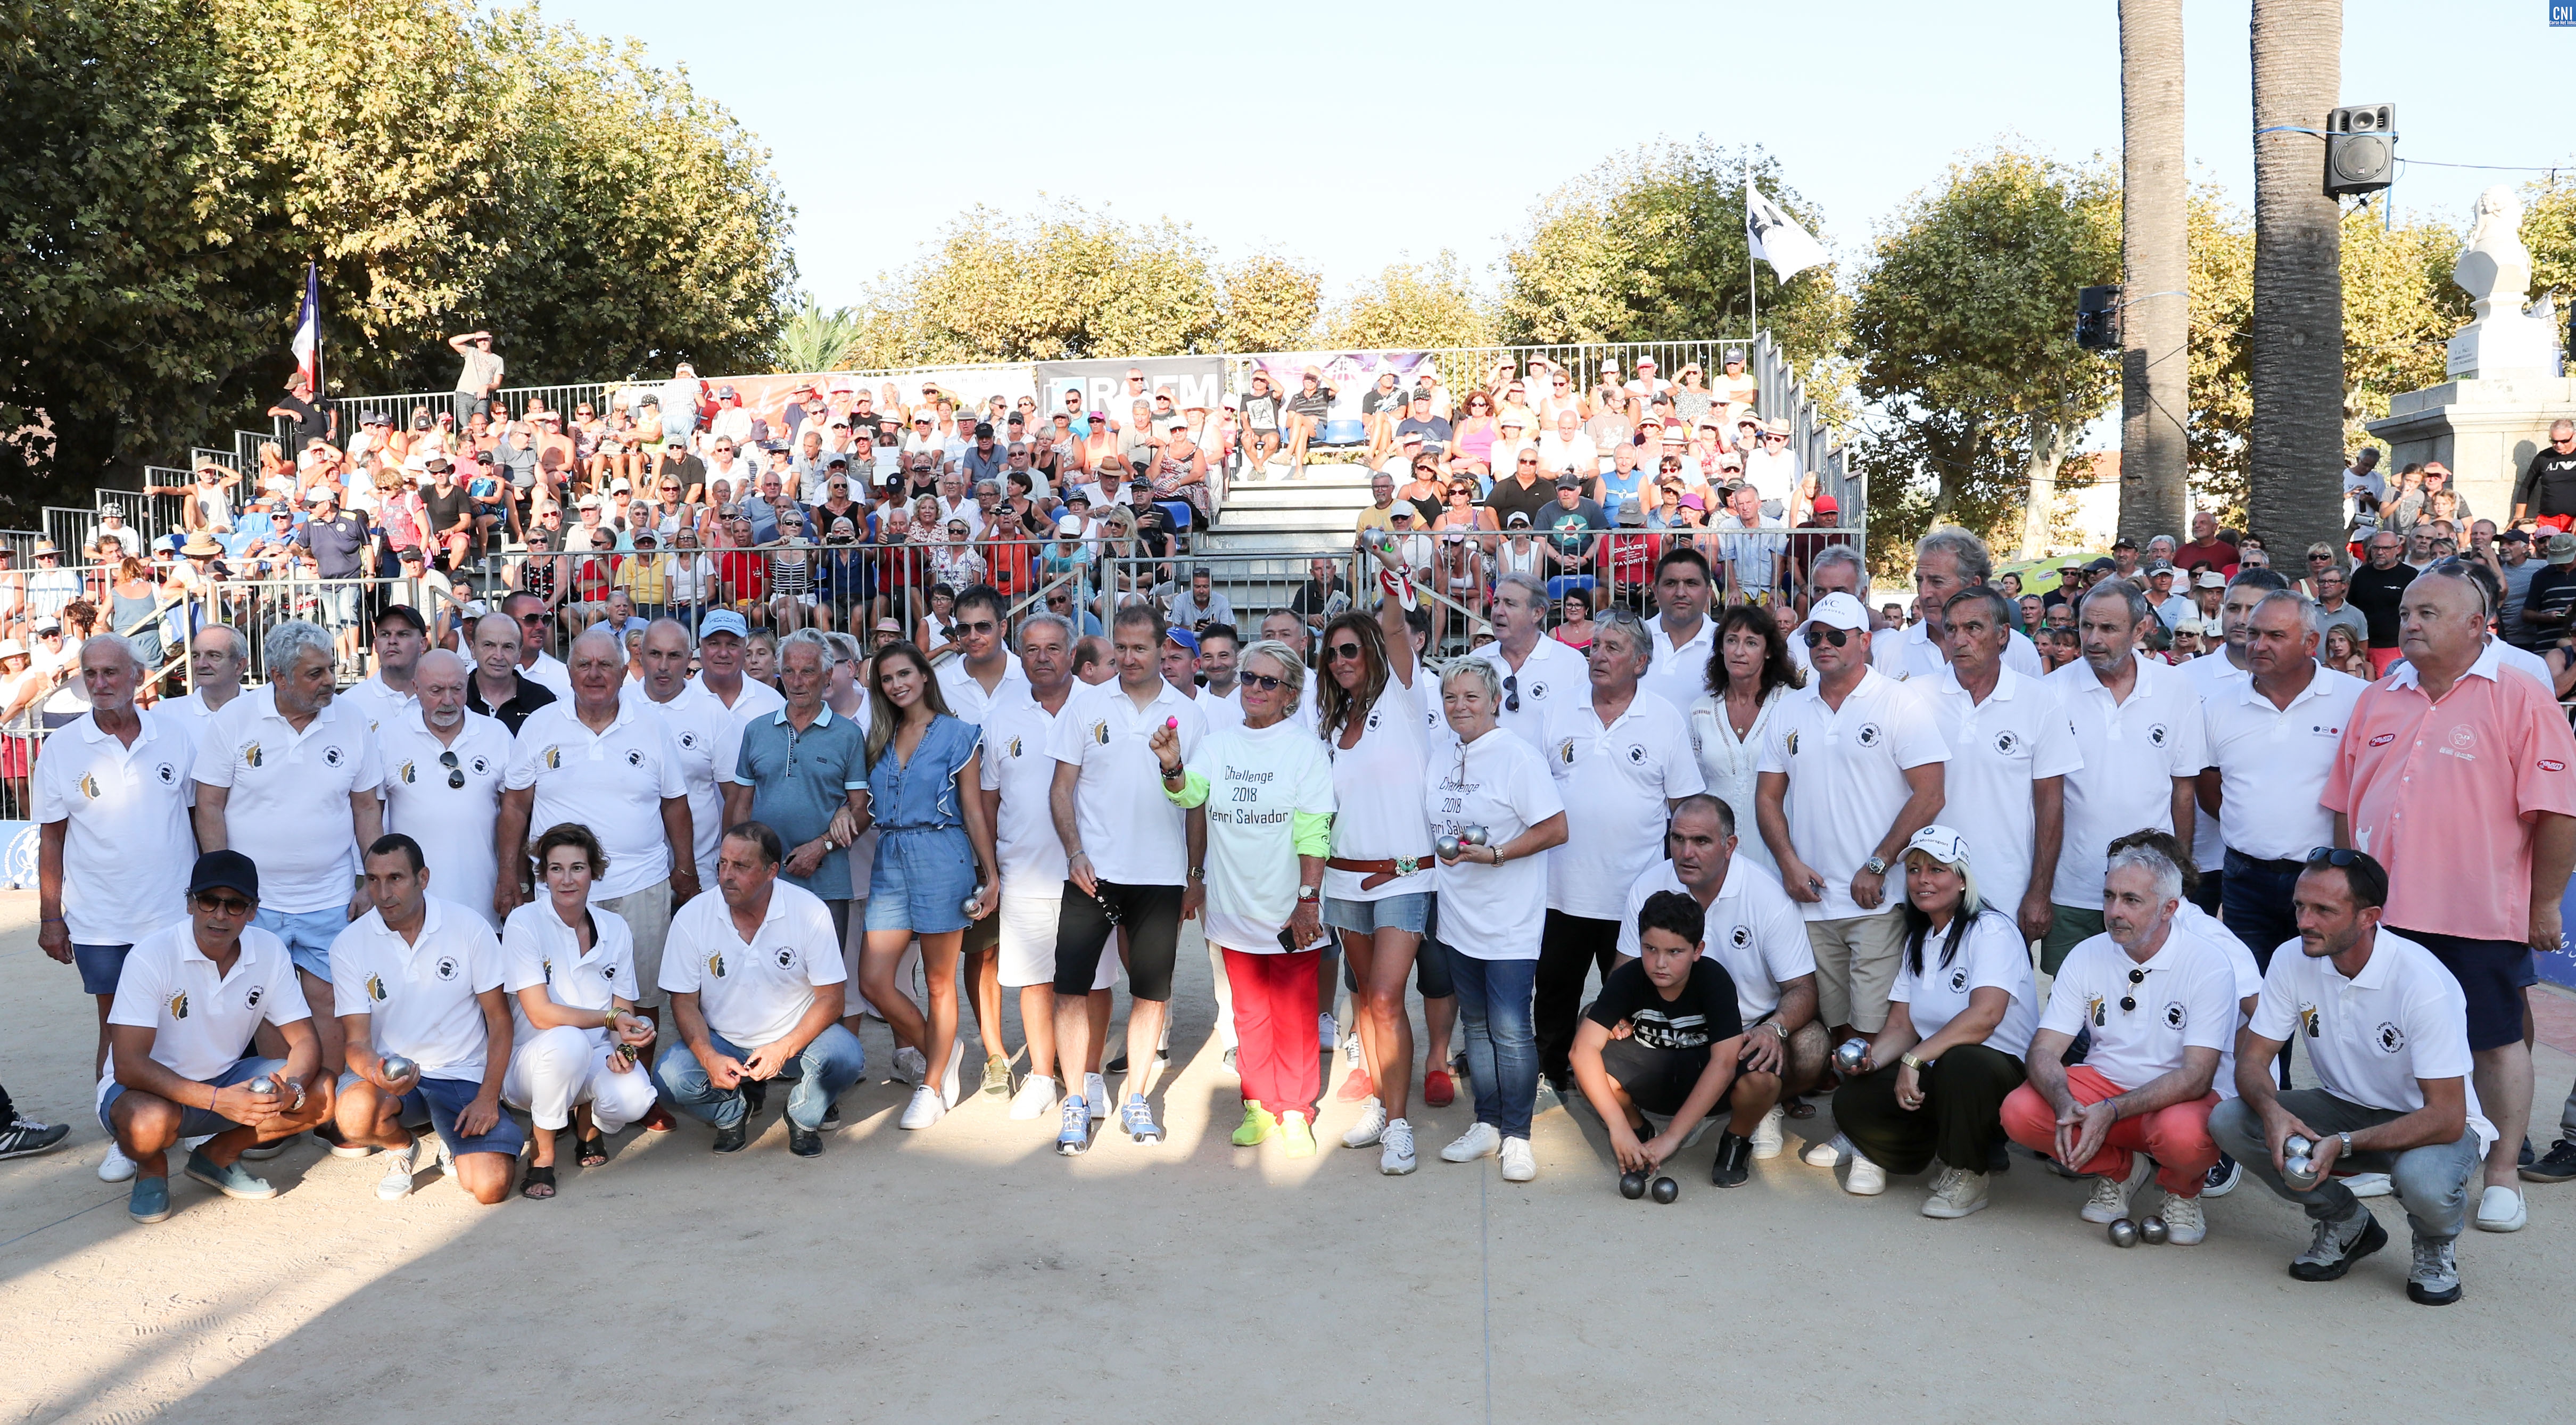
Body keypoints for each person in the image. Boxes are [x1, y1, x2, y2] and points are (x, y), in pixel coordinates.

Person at [2324, 561, 2576, 1233]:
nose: (2409, 623)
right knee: (2394, 1041)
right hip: (2385, 914)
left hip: (2477, 909)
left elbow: (2557, 812)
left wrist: (2544, 905)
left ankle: (2500, 1175)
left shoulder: (2521, 695)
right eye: (2405, 613)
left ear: (2476, 624)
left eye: (2427, 613)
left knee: (2493, 1041)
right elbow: (2345, 804)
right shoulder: (2378, 697)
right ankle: (2397, 1145)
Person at [2202, 848, 2491, 1305]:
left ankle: (2435, 1245)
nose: (2304, 921)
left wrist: (2346, 1144)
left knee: (2425, 1182)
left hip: (2430, 1125)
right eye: (2300, 905)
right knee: (2230, 1120)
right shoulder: (2290, 958)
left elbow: (2449, 1116)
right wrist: (2273, 1111)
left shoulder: (2422, 983)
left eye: (2324, 910)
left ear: (2368, 917)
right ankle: (2345, 1221)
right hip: (2346, 1107)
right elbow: (2252, 1061)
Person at [1756, 591, 1947, 1101]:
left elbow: (1931, 794)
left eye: (1836, 636)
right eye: (1814, 636)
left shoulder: (1898, 701)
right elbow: (1768, 797)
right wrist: (1789, 863)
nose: (1822, 645)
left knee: (1873, 1026)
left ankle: (1865, 1135)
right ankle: (1854, 1117)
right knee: (1835, 1025)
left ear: (1865, 641)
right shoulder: (1790, 707)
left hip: (1875, 899)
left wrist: (1880, 863)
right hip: (1813, 898)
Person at [2001, 839, 2235, 1245]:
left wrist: (2112, 1109)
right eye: (2109, 896)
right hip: (2105, 1088)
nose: (2114, 911)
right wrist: (2062, 1100)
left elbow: (2197, 1077)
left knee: (2184, 1136)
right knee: (2020, 1111)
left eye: (2131, 900)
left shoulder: (2208, 963)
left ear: (2169, 909)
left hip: (2176, 1100)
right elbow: (2043, 1050)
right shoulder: (2087, 954)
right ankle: (2120, 1170)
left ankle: (2182, 1191)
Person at [1155, 638, 1335, 1156]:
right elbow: (1189, 794)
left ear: (1291, 695)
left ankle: (1297, 1109)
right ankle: (1258, 1102)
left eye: (1267, 682)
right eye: (1248, 678)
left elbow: (1314, 832)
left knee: (1296, 1013)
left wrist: (1308, 900)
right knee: (1250, 1013)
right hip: (1233, 907)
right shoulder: (1218, 743)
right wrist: (1172, 766)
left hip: (1287, 909)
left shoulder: (1304, 750)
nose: (1253, 689)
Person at [1045, 605, 1207, 1154]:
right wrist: (1074, 852)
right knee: (1070, 988)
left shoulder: (1189, 713)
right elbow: (1061, 789)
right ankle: (1075, 1100)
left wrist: (1193, 873)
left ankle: (1136, 1096)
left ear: (1164, 649)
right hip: (1092, 873)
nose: (1130, 658)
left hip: (1160, 876)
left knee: (1150, 992)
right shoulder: (1085, 705)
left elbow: (1196, 803)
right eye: (1122, 647)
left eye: (1141, 647)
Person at [98, 850, 334, 1224]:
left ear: (254, 910)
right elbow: (128, 1065)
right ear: (190, 903)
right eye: (209, 901)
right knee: (147, 1124)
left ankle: (217, 1156)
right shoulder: (151, 954)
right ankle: (153, 1170)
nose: (220, 914)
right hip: (148, 1092)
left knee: (320, 1089)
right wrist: (218, 1100)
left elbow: (304, 1039)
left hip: (225, 1079)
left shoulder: (269, 950)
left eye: (235, 904)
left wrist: (293, 1089)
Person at [193, 620, 383, 1079]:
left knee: (331, 997)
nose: (329, 682)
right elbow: (210, 805)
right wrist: (227, 889)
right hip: (259, 903)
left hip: (331, 894)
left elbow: (366, 808)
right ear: (278, 676)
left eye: (330, 669)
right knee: (264, 1000)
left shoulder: (352, 719)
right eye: (314, 673)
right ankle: (281, 1107)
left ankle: (333, 1101)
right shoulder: (234, 721)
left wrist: (369, 882)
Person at [1320, 551, 1459, 1172]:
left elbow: (1398, 630)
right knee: (1366, 999)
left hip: (1404, 874)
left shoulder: (1406, 695)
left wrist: (1394, 588)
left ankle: (1399, 1124)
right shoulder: (1330, 718)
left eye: (1352, 650)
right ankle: (1379, 1101)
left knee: (1383, 997)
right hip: (1342, 879)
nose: (1342, 660)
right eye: (1334, 652)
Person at [36, 633, 197, 1160]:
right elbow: (52, 839)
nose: (101, 683)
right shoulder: (60, 748)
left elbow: (200, 821)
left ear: (135, 675)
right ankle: (121, 1133)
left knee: (183, 1018)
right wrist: (50, 917)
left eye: (111, 672)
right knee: (116, 1026)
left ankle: (195, 1116)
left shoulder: (175, 736)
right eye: (92, 674)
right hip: (101, 919)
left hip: (172, 913)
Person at [496, 628, 698, 1042]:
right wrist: (507, 876)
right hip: (560, 887)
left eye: (605, 664)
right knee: (564, 994)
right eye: (583, 664)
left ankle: (633, 1086)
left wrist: (685, 868)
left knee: (641, 997)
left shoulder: (652, 726)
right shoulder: (539, 725)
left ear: (625, 671)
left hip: (639, 883)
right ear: (568, 673)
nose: (594, 674)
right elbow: (515, 806)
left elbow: (675, 804)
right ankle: (579, 1089)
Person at [1535, 611, 1704, 1103]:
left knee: (1633, 999)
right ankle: (1552, 1075)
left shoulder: (1664, 718)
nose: (1598, 655)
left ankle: (1626, 1082)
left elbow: (1684, 808)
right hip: (1562, 889)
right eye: (1596, 646)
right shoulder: (1560, 710)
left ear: (1641, 662)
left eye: (1612, 648)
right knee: (1554, 991)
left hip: (1636, 894)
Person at [1829, 825, 2037, 1215]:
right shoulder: (1919, 938)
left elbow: (1986, 1017)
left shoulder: (1991, 929)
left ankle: (1969, 1173)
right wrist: (1870, 1060)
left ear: (1962, 880)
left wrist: (1913, 1059)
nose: (1922, 879)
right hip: (1941, 1067)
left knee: (1963, 1062)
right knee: (1856, 1094)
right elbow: (1901, 1026)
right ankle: (1940, 1148)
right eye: (1913, 869)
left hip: (1999, 1070)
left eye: (1937, 869)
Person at [1612, 796, 1823, 1180]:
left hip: (1741, 1035)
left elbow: (1803, 988)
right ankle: (1638, 1129)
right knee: (1591, 1027)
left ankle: (1741, 1129)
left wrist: (1774, 1027)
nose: (1685, 852)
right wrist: (1620, 1016)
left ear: (1730, 845)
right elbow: (1622, 974)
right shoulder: (1648, 884)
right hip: (1667, 1033)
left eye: (1701, 841)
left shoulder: (1766, 894)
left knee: (1811, 1044)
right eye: (1677, 839)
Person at [1425, 658, 1569, 1182]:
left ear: (1493, 701)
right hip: (1457, 915)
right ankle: (1486, 1123)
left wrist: (1499, 854)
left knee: (1510, 1030)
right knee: (1478, 1026)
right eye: (1449, 697)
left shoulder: (1517, 756)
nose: (1458, 706)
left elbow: (1556, 827)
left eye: (1470, 696)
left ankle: (1517, 1135)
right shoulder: (1441, 753)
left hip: (1509, 920)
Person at [2199, 591, 2367, 1026]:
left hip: (2325, 884)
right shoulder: (2219, 707)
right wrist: (2255, 827)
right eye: (2254, 634)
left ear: (2311, 642)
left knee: (2330, 1000)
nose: (2259, 645)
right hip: (2244, 880)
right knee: (2253, 1002)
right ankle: (2269, 1090)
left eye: (2276, 635)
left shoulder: (2356, 700)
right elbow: (2209, 787)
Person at [652, 822, 866, 1157]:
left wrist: (783, 1047)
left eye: (741, 866)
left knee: (846, 1057)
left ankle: (803, 1114)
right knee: (668, 1080)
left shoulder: (809, 911)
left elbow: (831, 998)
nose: (726, 875)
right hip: (725, 1039)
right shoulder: (692, 916)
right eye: (722, 863)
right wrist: (709, 1057)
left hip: (797, 1038)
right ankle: (731, 1111)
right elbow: (684, 1003)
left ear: (772, 872)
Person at [330, 834, 523, 1205]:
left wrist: (487, 1097)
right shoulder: (349, 944)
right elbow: (355, 1042)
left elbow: (500, 1020)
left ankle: (453, 1141)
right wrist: (377, 1072)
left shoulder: (469, 926)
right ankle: (401, 1147)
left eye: (396, 878)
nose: (383, 892)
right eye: (372, 879)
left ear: (424, 878)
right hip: (397, 1077)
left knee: (490, 1187)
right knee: (353, 1114)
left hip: (463, 1074)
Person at [851, 640, 995, 1130]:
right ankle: (944, 1045)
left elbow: (974, 808)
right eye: (887, 679)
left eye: (904, 674)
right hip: (890, 858)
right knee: (873, 980)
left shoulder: (959, 733)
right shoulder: (879, 737)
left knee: (938, 980)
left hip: (942, 855)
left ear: (925, 675)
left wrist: (990, 874)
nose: (897, 684)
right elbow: (862, 803)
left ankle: (931, 1086)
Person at [981, 614, 1117, 1124]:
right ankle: (1042, 1075)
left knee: (1095, 982)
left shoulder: (1103, 705)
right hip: (1025, 871)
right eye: (1033, 648)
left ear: (1072, 654)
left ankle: (1090, 1074)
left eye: (1054, 648)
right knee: (1035, 981)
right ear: (1022, 654)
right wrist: (993, 868)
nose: (1043, 657)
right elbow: (990, 801)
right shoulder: (1002, 717)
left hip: (1093, 873)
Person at [2038, 580, 2205, 975]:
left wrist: (2178, 874)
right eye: (2086, 627)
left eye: (2109, 629)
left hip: (2150, 890)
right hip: (2072, 889)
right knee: (2075, 1012)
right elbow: (2042, 800)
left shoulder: (2176, 688)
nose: (2094, 639)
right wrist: (2040, 889)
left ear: (2141, 629)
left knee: (2148, 1000)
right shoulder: (2049, 693)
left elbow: (2183, 791)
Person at [499, 823, 658, 1200]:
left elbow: (623, 1009)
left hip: (592, 1056)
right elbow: (540, 1014)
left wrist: (627, 1049)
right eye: (556, 868)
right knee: (569, 1042)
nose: (567, 879)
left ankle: (588, 1121)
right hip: (530, 1064)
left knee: (635, 1097)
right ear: (543, 874)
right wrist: (609, 1020)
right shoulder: (524, 922)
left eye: (577, 868)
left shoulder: (615, 927)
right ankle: (543, 1153)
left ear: (594, 872)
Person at [1923, 585, 2078, 947]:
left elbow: (2051, 804)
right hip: (1926, 891)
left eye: (1973, 628)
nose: (1959, 639)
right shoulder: (1915, 698)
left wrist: (2040, 892)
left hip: (2006, 892)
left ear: (2002, 634)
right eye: (1951, 629)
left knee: (2003, 1002)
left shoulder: (2040, 701)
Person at [1571, 890, 1749, 1187]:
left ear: (1697, 950)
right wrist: (1618, 1128)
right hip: (1652, 1071)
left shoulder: (1714, 979)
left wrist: (1672, 1138)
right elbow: (1582, 1050)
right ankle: (1636, 1130)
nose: (1660, 963)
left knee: (1763, 1075)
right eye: (1650, 949)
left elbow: (1725, 1062)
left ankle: (1737, 1140)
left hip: (1705, 1078)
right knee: (1589, 1068)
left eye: (1674, 952)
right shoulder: (1629, 977)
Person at [723, 630, 872, 948]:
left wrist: (822, 846)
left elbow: (861, 811)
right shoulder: (757, 730)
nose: (797, 681)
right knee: (764, 976)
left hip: (827, 881)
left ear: (827, 675)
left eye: (808, 671)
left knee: (825, 980)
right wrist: (736, 865)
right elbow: (741, 807)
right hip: (763, 884)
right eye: (789, 671)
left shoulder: (848, 736)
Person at [377, 650, 511, 932]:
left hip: (482, 902)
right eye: (436, 690)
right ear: (416, 688)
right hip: (410, 907)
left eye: (457, 689)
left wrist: (512, 877)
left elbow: (515, 812)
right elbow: (369, 814)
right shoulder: (387, 737)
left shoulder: (496, 734)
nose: (448, 701)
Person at [1871, 528, 2044, 681]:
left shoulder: (2019, 651)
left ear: (1973, 584)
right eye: (1919, 581)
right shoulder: (1891, 651)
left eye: (1937, 582)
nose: (1924, 594)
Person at [1467, 572, 1591, 752]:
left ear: (1537, 613)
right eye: (1496, 602)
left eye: (1510, 604)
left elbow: (1584, 731)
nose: (1498, 612)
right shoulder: (1475, 662)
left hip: (1546, 776)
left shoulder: (1571, 663)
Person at [1638, 548, 1719, 716]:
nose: (1681, 593)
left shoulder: (1725, 645)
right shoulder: (1633, 638)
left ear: (1708, 591)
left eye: (1691, 583)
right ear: (1655, 590)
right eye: (1671, 583)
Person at [462, 610, 556, 735]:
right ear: (473, 649)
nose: (498, 656)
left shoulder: (542, 700)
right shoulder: (456, 697)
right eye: (489, 645)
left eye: (508, 647)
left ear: (519, 653)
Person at [691, 609, 787, 722]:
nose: (723, 653)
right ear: (701, 648)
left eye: (733, 645)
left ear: (744, 649)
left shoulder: (773, 701)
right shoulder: (678, 700)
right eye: (714, 644)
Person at [2346, 531, 2414, 675]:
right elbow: (2351, 609)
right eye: (2376, 548)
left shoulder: (2410, 576)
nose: (2380, 552)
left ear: (2398, 550)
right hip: (2361, 647)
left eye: (2386, 548)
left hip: (2393, 647)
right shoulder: (2361, 575)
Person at [2514, 419, 2576, 531]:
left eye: (2565, 441)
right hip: (2549, 521)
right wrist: (2518, 517)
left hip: (2573, 520)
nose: (2559, 445)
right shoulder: (2544, 457)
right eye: (2554, 441)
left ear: (2573, 435)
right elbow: (2527, 486)